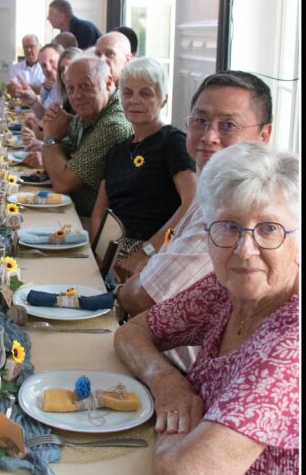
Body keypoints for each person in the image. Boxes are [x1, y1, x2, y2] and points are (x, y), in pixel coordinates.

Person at [114, 141, 299, 475]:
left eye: (269, 229)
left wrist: (172, 424)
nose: (245, 248)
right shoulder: (230, 289)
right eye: (228, 227)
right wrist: (168, 385)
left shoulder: (291, 345)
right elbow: (131, 333)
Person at [116, 71, 273, 318]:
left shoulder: (235, 208)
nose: (209, 137)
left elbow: (141, 299)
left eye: (228, 125)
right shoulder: (211, 185)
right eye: (200, 121)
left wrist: (126, 287)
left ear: (264, 136)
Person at [89, 57, 197, 266]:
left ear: (163, 99)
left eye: (145, 93)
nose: (134, 100)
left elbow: (192, 201)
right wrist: (100, 257)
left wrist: (146, 251)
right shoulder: (117, 151)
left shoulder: (173, 142)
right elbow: (98, 214)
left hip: (154, 255)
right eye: (127, 93)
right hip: (110, 254)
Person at [38, 55, 132, 217]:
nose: (76, 95)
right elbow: (52, 169)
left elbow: (61, 183)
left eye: (85, 86)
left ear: (108, 83)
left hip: (91, 223)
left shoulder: (113, 125)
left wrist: (51, 137)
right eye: (70, 88)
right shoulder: (88, 113)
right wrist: (51, 132)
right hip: (72, 213)